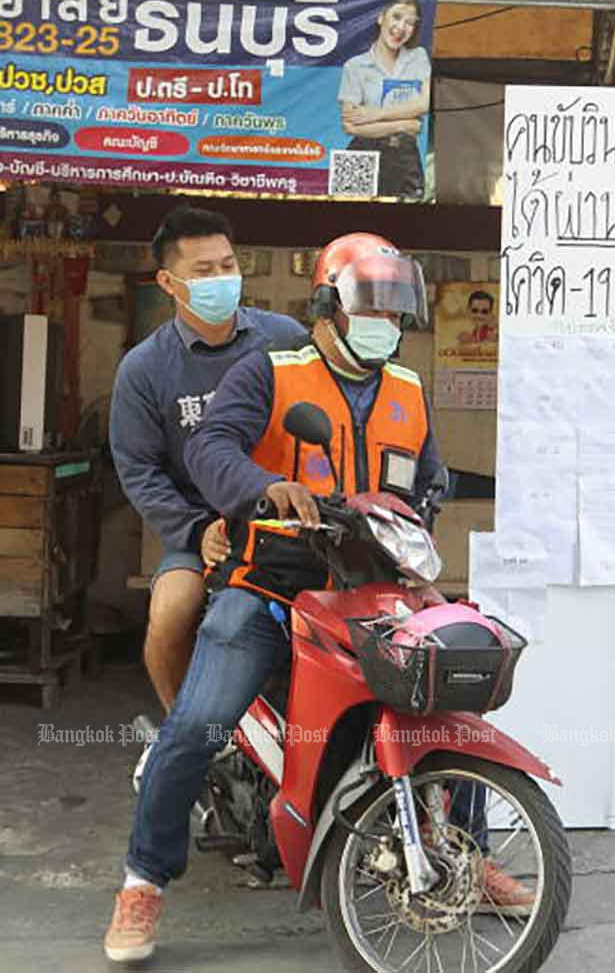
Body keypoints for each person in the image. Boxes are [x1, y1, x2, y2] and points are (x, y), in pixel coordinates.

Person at [103, 232, 533, 964]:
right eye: (374, 307)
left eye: (399, 312)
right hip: (270, 582)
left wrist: (417, 524)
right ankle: (143, 879)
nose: (388, 325)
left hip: (371, 585)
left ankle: (465, 850)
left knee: (447, 692)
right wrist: (260, 488)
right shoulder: (268, 372)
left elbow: (430, 478)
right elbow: (211, 448)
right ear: (330, 306)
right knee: (200, 720)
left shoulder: (407, 388)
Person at [109, 206, 306, 728]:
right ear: (168, 283)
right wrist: (196, 532)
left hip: (290, 523)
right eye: (204, 271)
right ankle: (184, 738)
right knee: (170, 616)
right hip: (202, 530)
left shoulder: (284, 339)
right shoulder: (145, 368)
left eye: (227, 265)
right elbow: (139, 469)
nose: (221, 279)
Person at [338, 0, 431, 199]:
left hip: (404, 153)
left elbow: (425, 103)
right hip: (360, 151)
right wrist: (402, 125)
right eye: (396, 17)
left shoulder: (419, 58)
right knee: (345, 213)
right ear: (381, 18)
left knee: (408, 220)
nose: (401, 27)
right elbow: (350, 126)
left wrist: (374, 115)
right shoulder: (354, 66)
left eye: (410, 22)